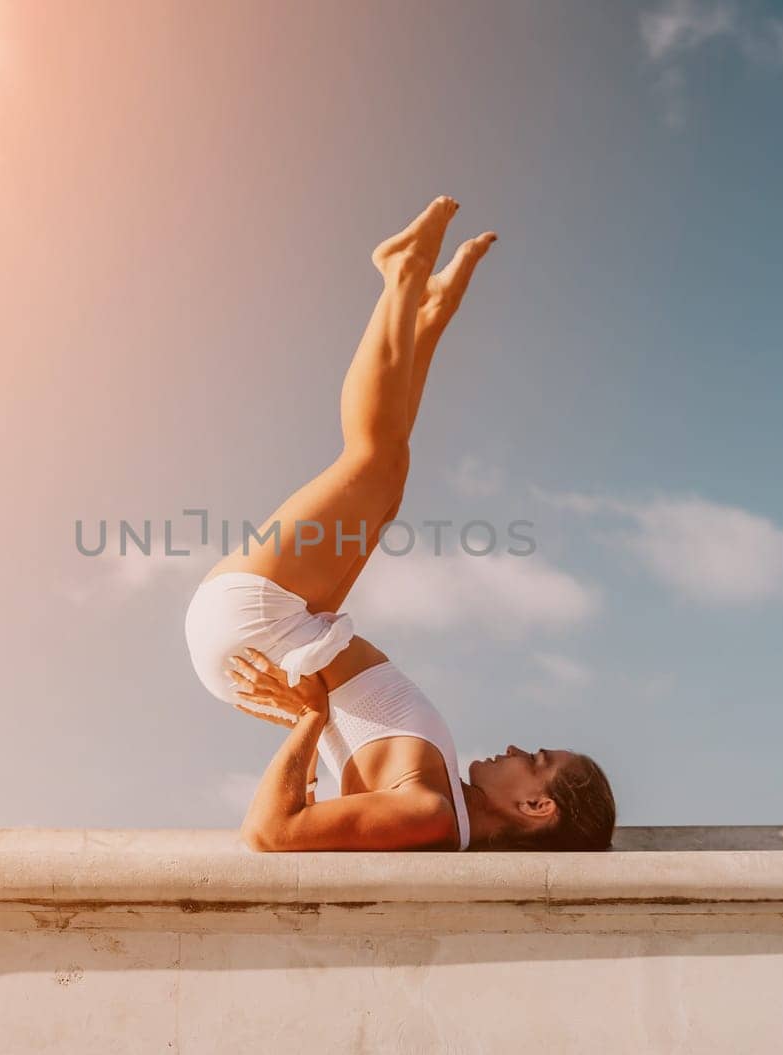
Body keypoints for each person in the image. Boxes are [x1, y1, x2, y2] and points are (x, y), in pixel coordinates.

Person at [184, 196, 615, 853]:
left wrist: (307, 721)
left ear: (535, 803)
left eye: (535, 756)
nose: (513, 747)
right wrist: (309, 720)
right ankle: (426, 313)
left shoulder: (433, 813)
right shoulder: (441, 804)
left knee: (372, 461)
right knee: (386, 488)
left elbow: (271, 833)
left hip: (259, 620)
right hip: (280, 627)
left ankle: (401, 274)